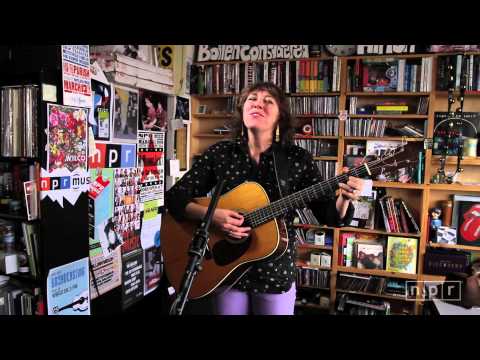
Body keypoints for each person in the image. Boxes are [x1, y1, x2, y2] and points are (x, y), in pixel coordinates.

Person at [165, 82, 365, 315]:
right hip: (224, 267)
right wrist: (213, 217)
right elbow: (175, 197)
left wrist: (345, 198)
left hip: (274, 271)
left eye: (268, 101)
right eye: (252, 99)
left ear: (281, 116)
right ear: (242, 110)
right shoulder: (221, 154)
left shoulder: (297, 159)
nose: (258, 103)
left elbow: (330, 216)